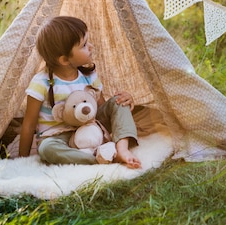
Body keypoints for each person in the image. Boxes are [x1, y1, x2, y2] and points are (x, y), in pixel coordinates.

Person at [19, 16, 142, 168]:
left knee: (118, 102)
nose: (90, 46)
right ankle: (96, 158)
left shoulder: (89, 75)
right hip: (59, 137)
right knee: (46, 149)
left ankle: (121, 149)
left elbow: (101, 109)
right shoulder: (41, 82)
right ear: (64, 60)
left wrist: (123, 102)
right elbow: (29, 124)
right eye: (84, 45)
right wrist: (22, 161)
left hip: (91, 128)